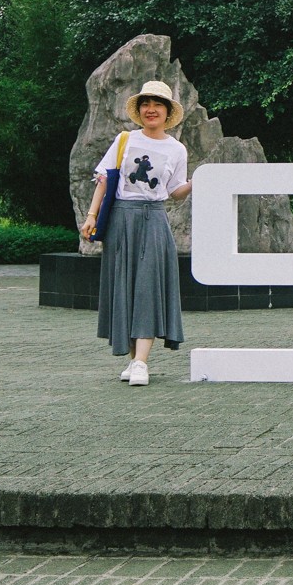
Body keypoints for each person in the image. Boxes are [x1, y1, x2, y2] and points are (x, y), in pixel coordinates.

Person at [81, 80, 192, 386]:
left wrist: (198, 183)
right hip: (121, 220)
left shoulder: (176, 149)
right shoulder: (124, 140)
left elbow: (175, 191)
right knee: (125, 286)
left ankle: (142, 362)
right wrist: (91, 215)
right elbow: (105, 180)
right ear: (140, 110)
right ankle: (134, 359)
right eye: (146, 104)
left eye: (157, 105)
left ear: (167, 112)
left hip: (154, 220)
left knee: (148, 286)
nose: (150, 110)